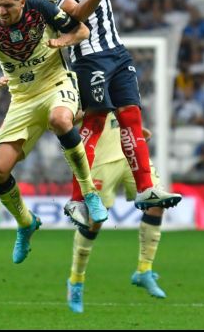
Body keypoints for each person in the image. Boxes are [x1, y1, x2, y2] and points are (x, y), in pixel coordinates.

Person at [18, 0, 181, 224]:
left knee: (132, 117)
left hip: (117, 51)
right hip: (88, 57)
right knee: (93, 121)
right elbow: (75, 15)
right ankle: (78, 199)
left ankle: (145, 189)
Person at [0, 0, 108, 264]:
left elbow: (82, 31)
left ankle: (89, 193)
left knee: (61, 120)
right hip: (22, 98)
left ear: (22, 2)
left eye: (8, 6)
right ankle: (25, 222)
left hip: (56, 83)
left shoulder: (41, 8)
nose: (2, 11)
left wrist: (63, 40)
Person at [66, 113, 168, 314]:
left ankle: (144, 270)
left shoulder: (127, 81)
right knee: (93, 221)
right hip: (101, 160)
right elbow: (65, 120)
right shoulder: (82, 83)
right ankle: (76, 281)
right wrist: (91, 109)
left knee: (156, 201)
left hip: (130, 153)